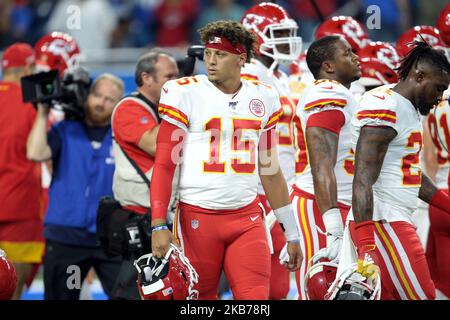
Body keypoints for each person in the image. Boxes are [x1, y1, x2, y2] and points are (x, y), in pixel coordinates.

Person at [150, 20, 302, 300]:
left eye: (220, 55)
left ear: (240, 58)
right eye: (208, 53)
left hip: (247, 217)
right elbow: (164, 164)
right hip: (197, 217)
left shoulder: (264, 97)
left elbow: (269, 169)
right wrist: (159, 224)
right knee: (200, 300)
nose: (211, 61)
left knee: (257, 299)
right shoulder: (185, 93)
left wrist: (291, 232)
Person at [349, 41, 450, 300]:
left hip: (393, 217)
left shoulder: (404, 107)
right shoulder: (386, 106)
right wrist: (366, 245)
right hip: (384, 220)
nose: (439, 97)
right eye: (438, 88)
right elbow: (363, 178)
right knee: (423, 295)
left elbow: (409, 173)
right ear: (419, 75)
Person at [26, 73, 124, 300]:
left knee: (128, 295)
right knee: (63, 297)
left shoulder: (122, 136)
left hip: (110, 241)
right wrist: (42, 112)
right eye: (97, 95)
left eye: (109, 99)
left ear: (119, 104)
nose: (100, 103)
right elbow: (35, 152)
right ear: (87, 96)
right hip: (67, 241)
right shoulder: (65, 130)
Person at [240, 2, 302, 299]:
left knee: (278, 283)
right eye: (277, 33)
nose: (285, 40)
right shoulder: (250, 71)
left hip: (283, 187)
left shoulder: (277, 75)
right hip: (262, 188)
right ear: (254, 37)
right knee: (263, 285)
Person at [292, 35, 361, 299]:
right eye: (347, 53)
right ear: (329, 66)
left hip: (338, 200)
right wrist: (332, 226)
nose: (355, 57)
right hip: (321, 205)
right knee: (322, 290)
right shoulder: (327, 93)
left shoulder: (342, 94)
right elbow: (322, 164)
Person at [110, 49, 179, 300]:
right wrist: (178, 106)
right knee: (135, 292)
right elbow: (153, 142)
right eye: (169, 76)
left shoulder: (160, 109)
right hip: (139, 220)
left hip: (163, 216)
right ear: (146, 78)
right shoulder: (129, 107)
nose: (177, 81)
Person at [0, 43, 43, 299]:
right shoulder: (33, 104)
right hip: (21, 207)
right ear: (28, 67)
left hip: (19, 206)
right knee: (10, 292)